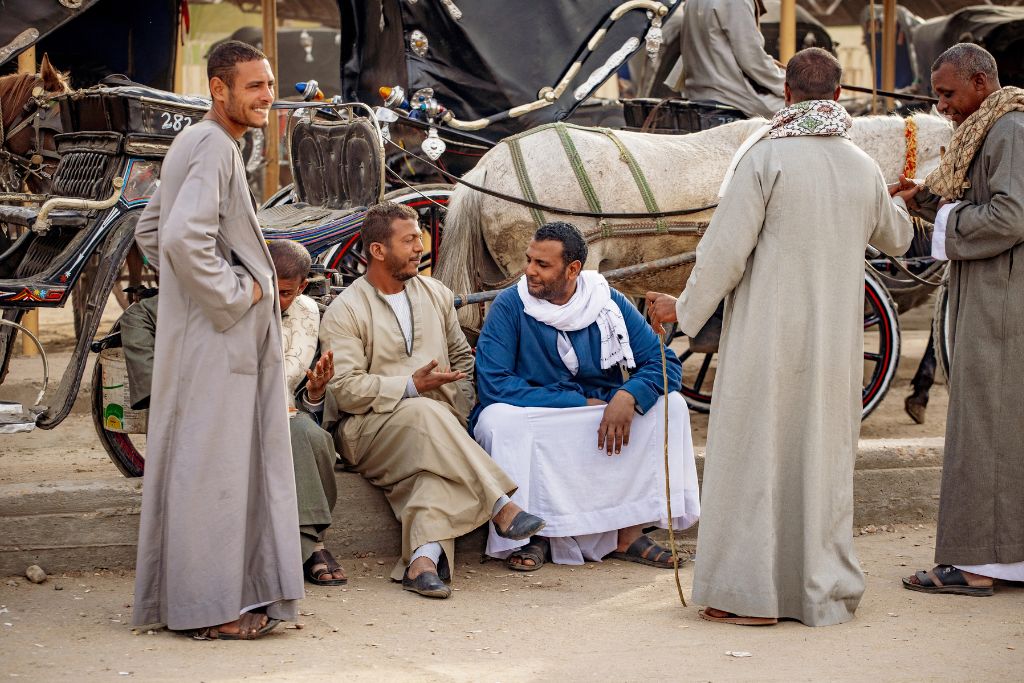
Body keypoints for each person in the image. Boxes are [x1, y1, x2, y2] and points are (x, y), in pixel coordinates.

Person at [646, 47, 914, 626]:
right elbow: (898, 239)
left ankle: (753, 597)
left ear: (786, 95)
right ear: (839, 97)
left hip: (765, 340)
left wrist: (683, 314)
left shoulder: (764, 159)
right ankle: (819, 592)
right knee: (819, 462)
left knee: (753, 458)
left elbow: (723, 255)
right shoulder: (862, 166)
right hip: (834, 349)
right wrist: (901, 203)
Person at [131, 41, 303, 639]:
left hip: (204, 335)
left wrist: (190, 297)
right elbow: (180, 238)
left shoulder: (201, 142)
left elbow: (150, 228)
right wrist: (240, 292)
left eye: (269, 83)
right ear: (219, 89)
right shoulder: (211, 144)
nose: (267, 96)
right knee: (215, 476)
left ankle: (214, 602)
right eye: (254, 86)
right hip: (219, 340)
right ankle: (212, 612)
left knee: (208, 469)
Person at [318, 202, 546, 599]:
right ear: (377, 250)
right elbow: (345, 389)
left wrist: (456, 403)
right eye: (408, 240)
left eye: (418, 238)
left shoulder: (435, 294)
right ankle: (500, 505)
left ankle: (422, 563)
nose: (419, 247)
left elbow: (461, 358)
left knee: (430, 473)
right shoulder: (345, 311)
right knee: (423, 409)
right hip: (367, 431)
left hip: (436, 426)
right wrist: (409, 387)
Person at [472, 222, 700, 572]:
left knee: (672, 406)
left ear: (573, 269)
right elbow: (494, 384)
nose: (529, 270)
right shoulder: (510, 306)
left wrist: (629, 395)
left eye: (542, 265)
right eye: (529, 260)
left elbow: (664, 362)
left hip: (601, 410)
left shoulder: (607, 303)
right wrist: (576, 404)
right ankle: (533, 536)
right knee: (497, 421)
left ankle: (629, 533)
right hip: (542, 411)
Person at [897, 43, 1024, 596]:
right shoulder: (992, 128)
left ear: (980, 82)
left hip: (1003, 302)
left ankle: (976, 566)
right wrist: (925, 200)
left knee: (985, 426)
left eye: (948, 93)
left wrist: (944, 215)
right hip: (995, 294)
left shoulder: (1009, 130)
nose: (942, 105)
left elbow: (1010, 214)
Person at [267, 239, 347, 587]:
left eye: (284, 293)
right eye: (266, 286)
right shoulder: (238, 303)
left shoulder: (308, 312)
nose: (273, 299)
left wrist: (314, 393)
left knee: (313, 437)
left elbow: (301, 396)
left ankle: (310, 540)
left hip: (285, 411)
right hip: (234, 412)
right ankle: (314, 547)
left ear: (302, 287)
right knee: (298, 435)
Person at [676, 0, 785, 118]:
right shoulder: (737, 2)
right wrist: (787, 85)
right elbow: (752, 60)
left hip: (699, 92)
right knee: (804, 110)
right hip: (732, 95)